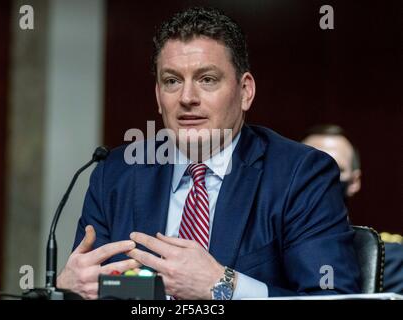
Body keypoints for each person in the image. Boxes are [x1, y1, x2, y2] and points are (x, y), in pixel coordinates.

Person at [57, 7, 360, 300]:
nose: (187, 98)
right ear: (158, 97)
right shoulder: (115, 173)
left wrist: (223, 286)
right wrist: (66, 291)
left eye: (207, 79)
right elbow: (97, 286)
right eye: (172, 81)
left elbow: (333, 298)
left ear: (245, 92)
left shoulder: (301, 175)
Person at [303, 124, 403, 294]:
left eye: (335, 168)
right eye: (311, 167)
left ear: (354, 181)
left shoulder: (389, 259)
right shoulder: (268, 252)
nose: (322, 176)